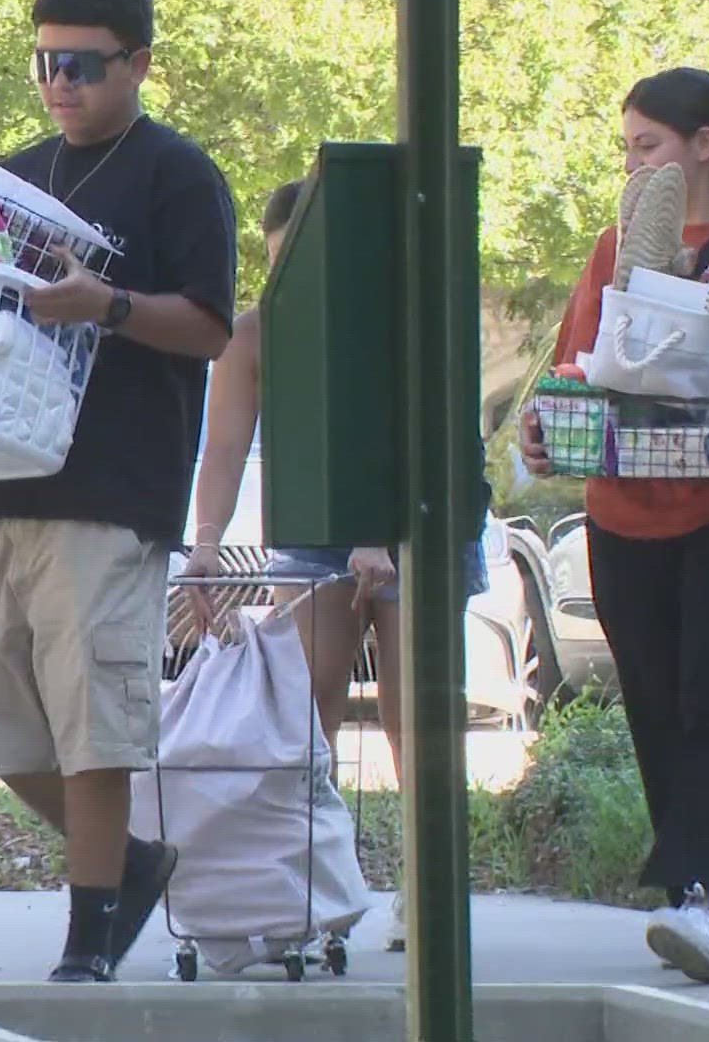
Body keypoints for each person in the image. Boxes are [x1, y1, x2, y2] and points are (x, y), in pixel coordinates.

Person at [0, 0, 238, 984]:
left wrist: (107, 306)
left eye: (80, 65)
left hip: (112, 489)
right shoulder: (12, 175)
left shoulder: (177, 175)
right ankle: (134, 865)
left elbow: (208, 328)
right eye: (43, 62)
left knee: (93, 728)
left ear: (138, 63)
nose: (58, 83)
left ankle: (90, 937)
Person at [522, 66, 709, 984]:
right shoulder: (616, 247)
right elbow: (578, 364)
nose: (634, 161)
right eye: (628, 148)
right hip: (622, 513)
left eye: (648, 145)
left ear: (704, 144)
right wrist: (543, 426)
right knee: (654, 701)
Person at [181, 178, 491, 954]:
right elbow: (224, 446)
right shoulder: (254, 334)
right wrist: (208, 541)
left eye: (306, 263)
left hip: (414, 517)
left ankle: (427, 888)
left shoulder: (394, 320)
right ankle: (301, 884)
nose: (292, 283)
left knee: (411, 706)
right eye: (278, 265)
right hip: (313, 528)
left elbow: (423, 439)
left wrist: (380, 534)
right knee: (302, 699)